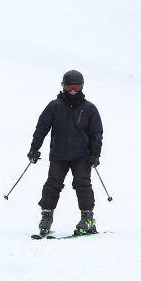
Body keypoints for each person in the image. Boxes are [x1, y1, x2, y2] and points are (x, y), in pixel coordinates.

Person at [27, 70, 103, 236]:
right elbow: (41, 129)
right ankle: (46, 217)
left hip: (81, 156)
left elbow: (96, 133)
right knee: (52, 185)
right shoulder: (54, 106)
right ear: (63, 86)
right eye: (69, 86)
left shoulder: (89, 108)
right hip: (59, 155)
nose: (73, 90)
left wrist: (95, 154)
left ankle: (88, 218)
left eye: (76, 86)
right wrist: (34, 148)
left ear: (82, 87)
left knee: (82, 185)